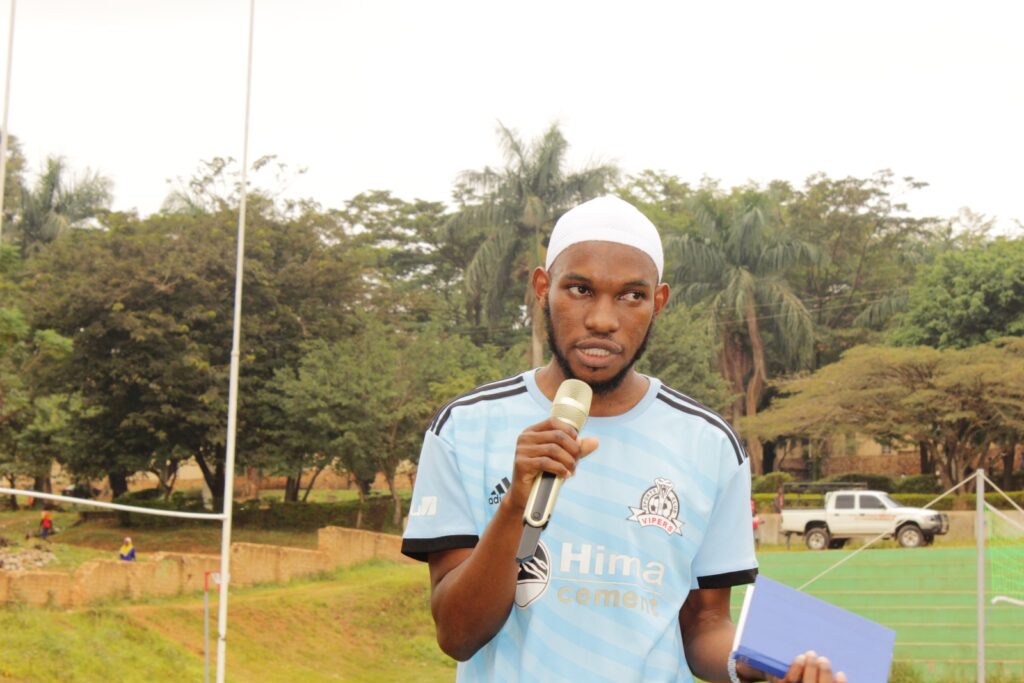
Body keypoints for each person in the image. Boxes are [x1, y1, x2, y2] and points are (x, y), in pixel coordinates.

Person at [402, 196, 846, 683]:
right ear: (542, 288)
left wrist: (767, 665)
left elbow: (703, 625)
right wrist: (515, 506)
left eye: (631, 296)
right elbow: (457, 633)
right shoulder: (465, 427)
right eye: (580, 289)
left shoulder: (711, 445)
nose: (602, 319)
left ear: (658, 302)